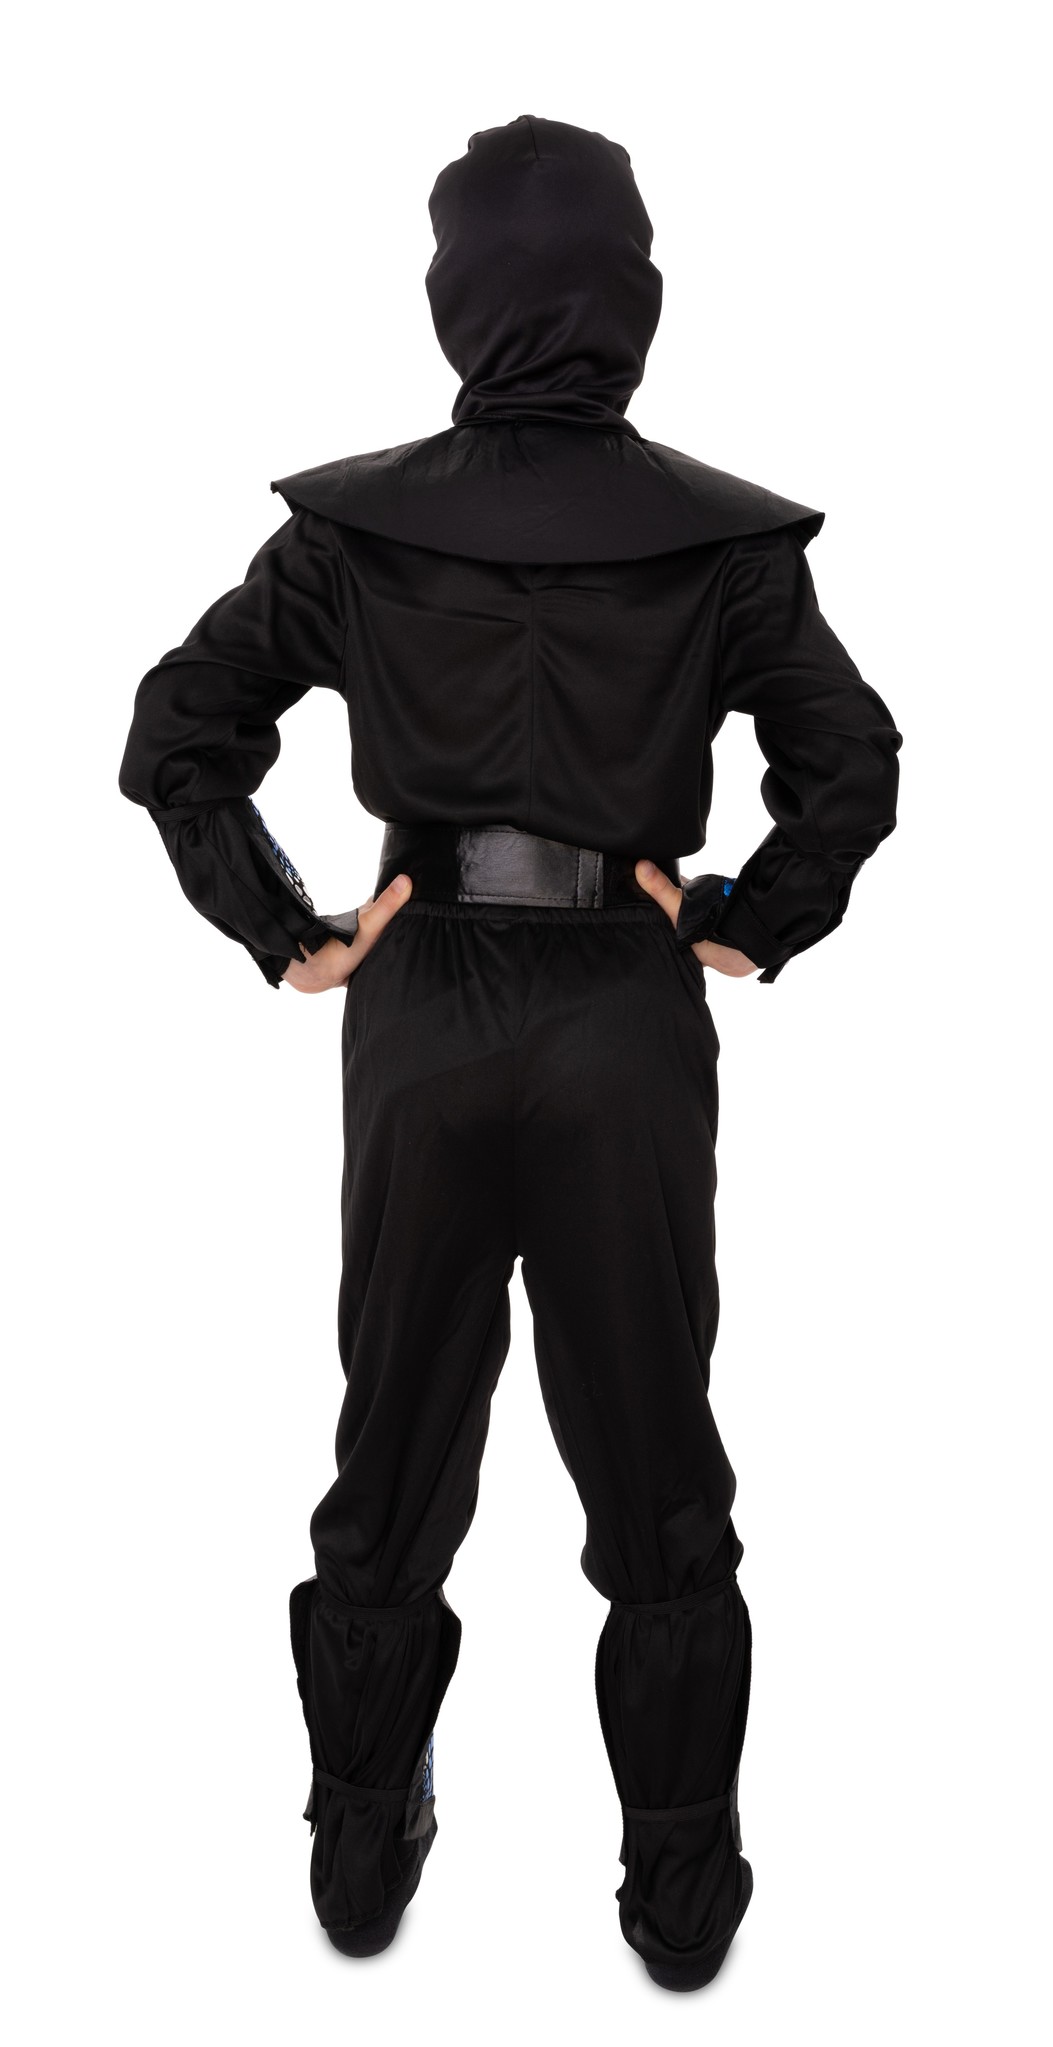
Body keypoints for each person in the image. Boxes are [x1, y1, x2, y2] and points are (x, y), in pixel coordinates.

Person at [118, 113, 902, 1990]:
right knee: (654, 1450)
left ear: (452, 296)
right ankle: (683, 1890)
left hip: (421, 1019)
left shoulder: (355, 534)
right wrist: (747, 914)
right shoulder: (719, 546)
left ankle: (358, 1844)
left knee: (392, 1434)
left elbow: (175, 733)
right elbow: (850, 761)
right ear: (634, 297)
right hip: (624, 1014)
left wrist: (291, 930)